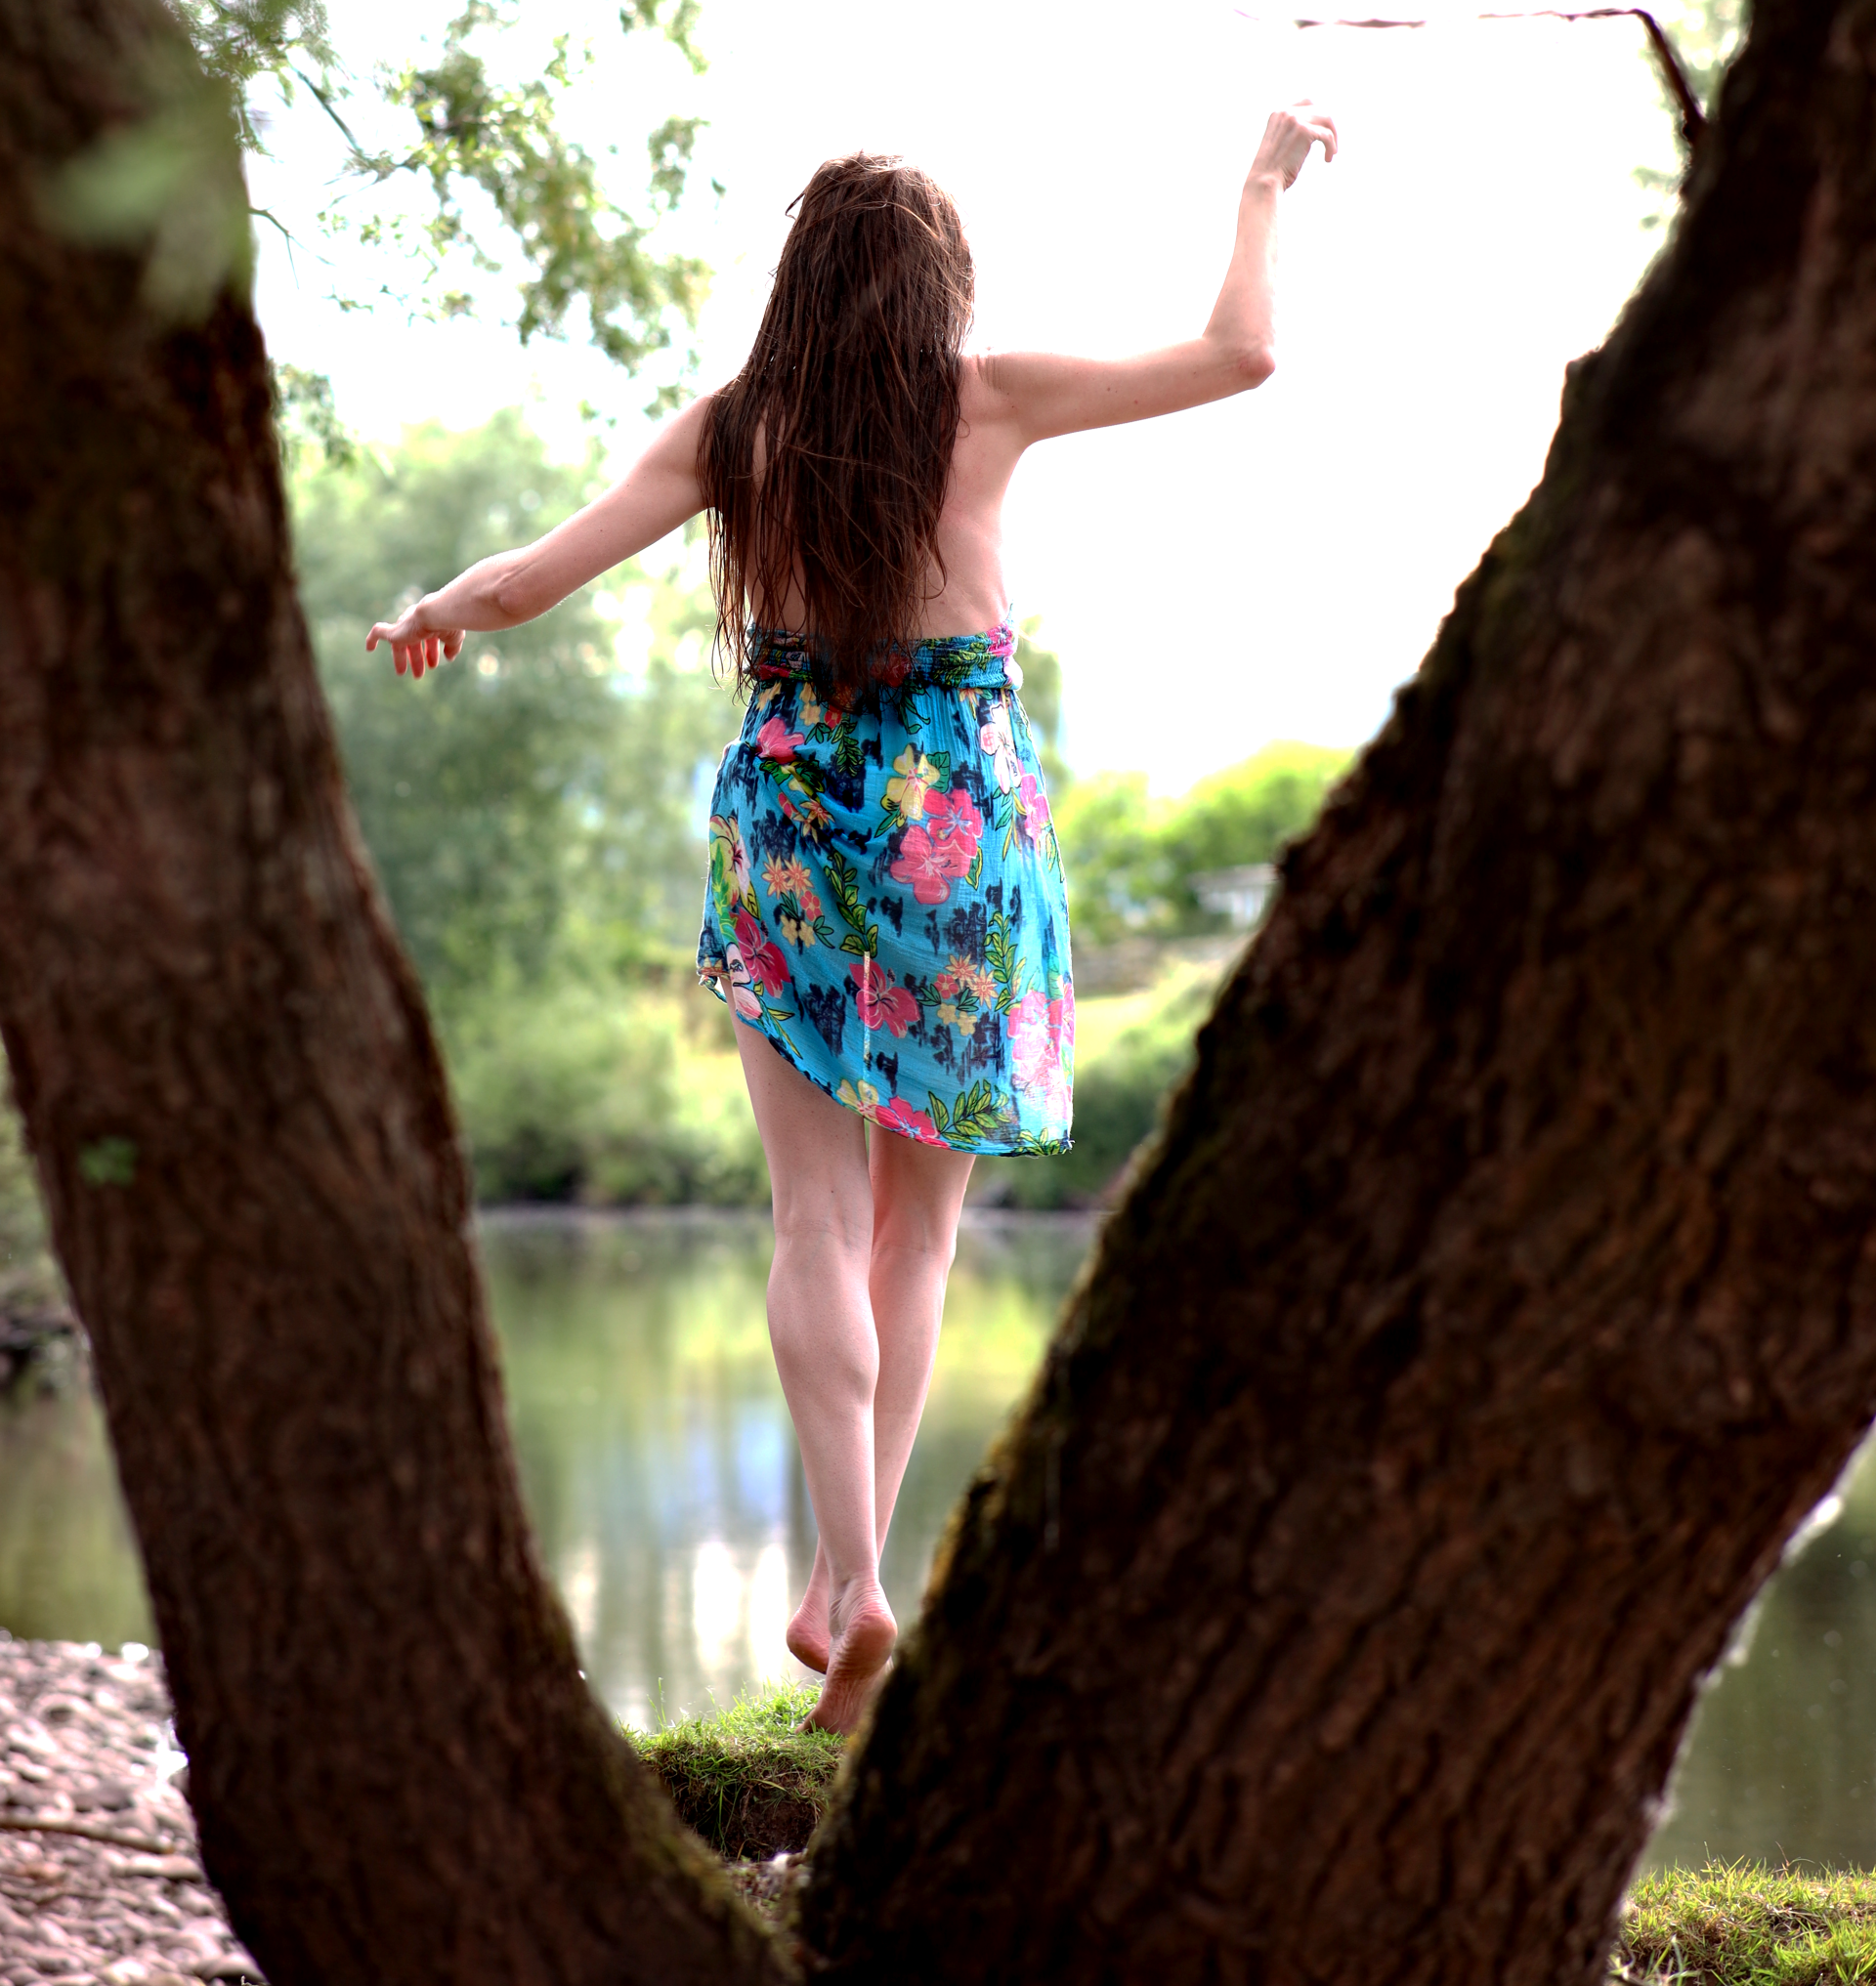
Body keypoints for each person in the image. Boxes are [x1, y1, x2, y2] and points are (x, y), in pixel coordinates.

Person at [367, 103, 1339, 1731]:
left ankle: (848, 1581)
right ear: (937, 288)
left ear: (799, 287)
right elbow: (1239, 356)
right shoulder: (990, 399)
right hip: (958, 822)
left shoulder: (731, 429)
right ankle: (848, 1586)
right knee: (919, 1228)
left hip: (795, 817)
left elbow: (535, 577)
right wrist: (1258, 184)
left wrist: (430, 611)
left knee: (813, 1223)